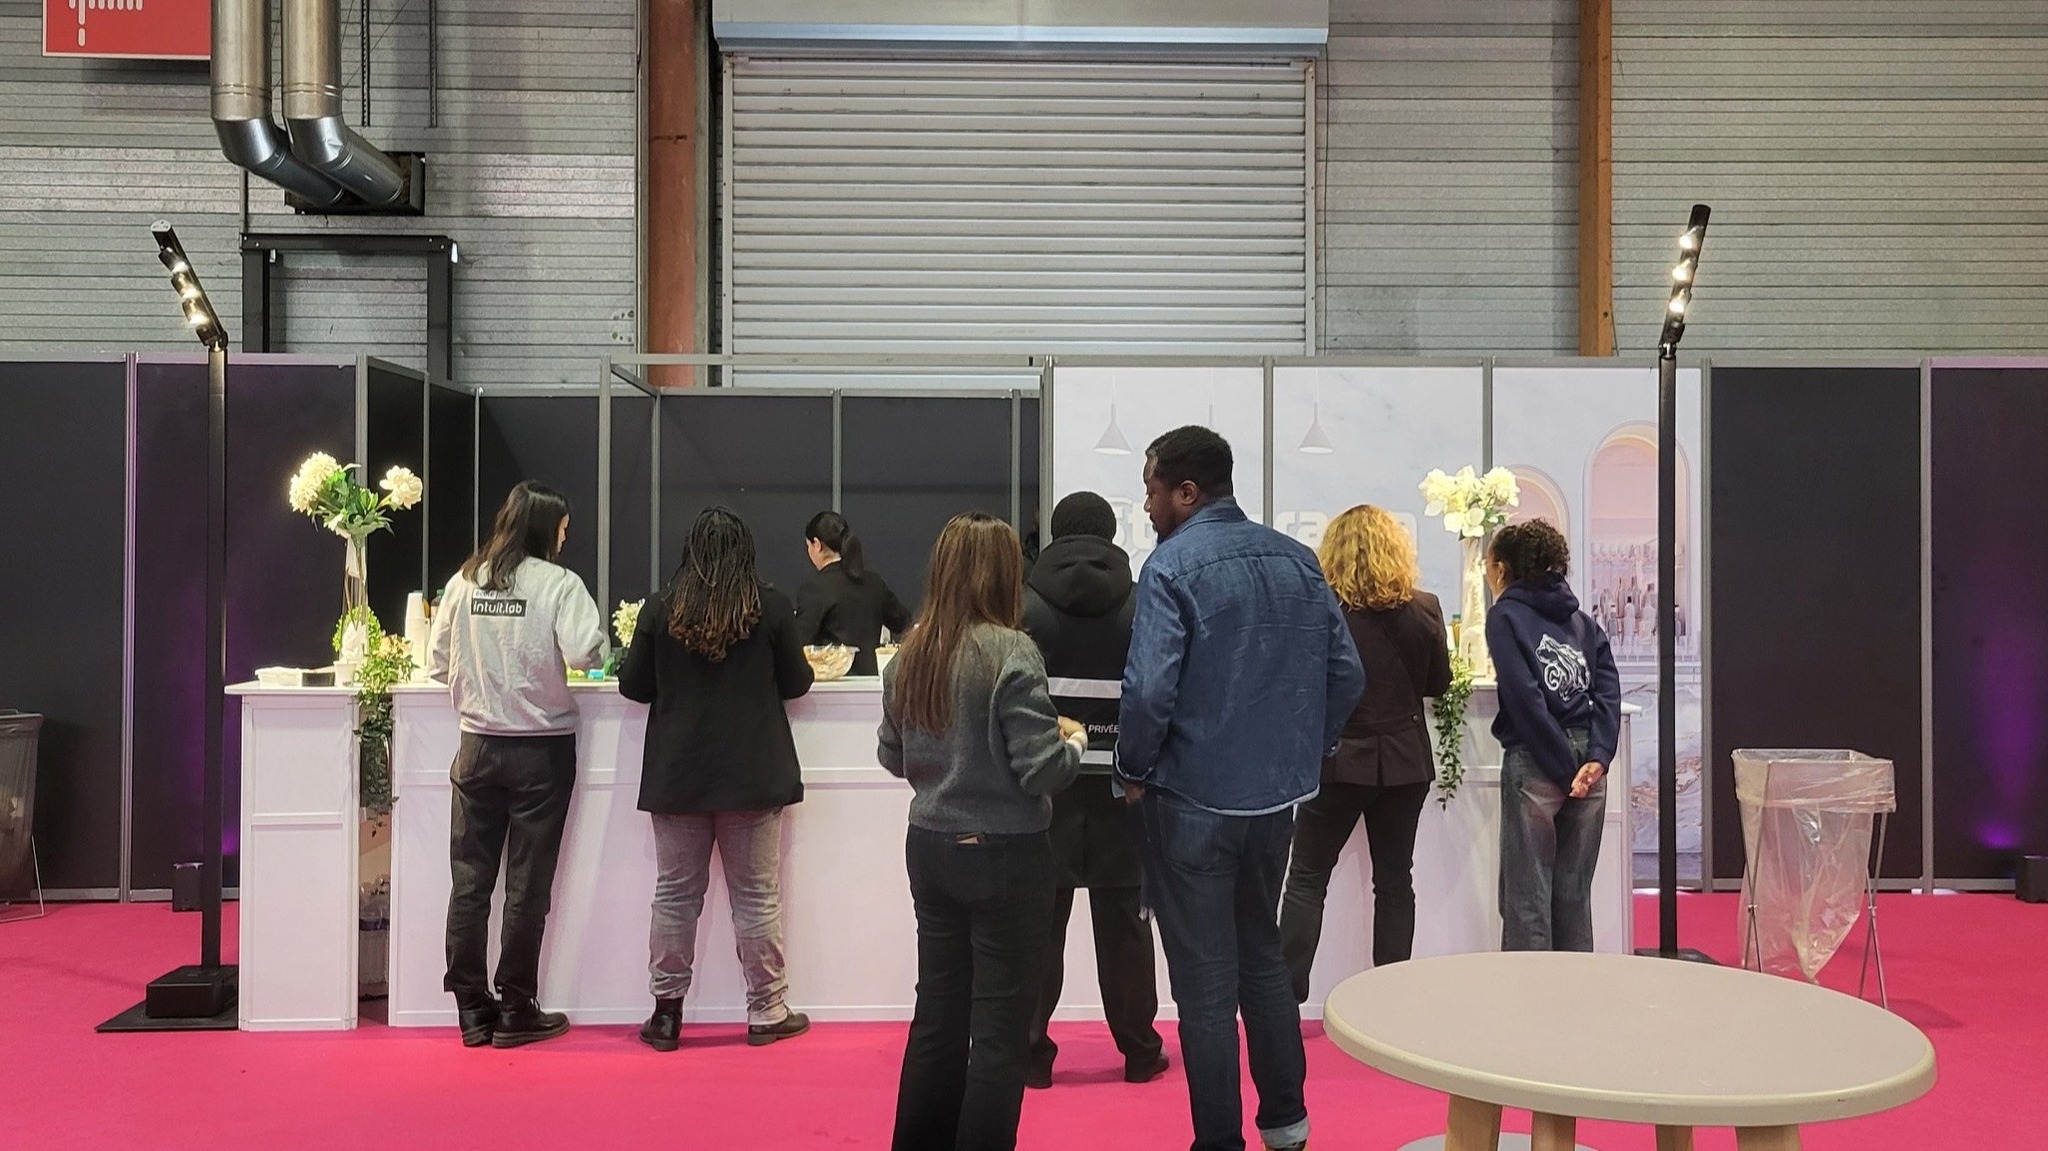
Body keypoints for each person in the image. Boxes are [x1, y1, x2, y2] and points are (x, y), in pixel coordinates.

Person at [1115, 427, 1365, 1151]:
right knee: (1262, 959)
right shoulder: (1297, 559)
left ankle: (1219, 1139)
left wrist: (1132, 768)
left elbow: (1149, 690)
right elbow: (1347, 674)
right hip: (1275, 800)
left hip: (1189, 800)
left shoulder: (1168, 568)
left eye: (1153, 490)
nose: (1147, 505)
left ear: (1187, 491)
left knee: (1204, 983)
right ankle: (1287, 1125)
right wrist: (1306, 749)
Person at [878, 512, 1090, 1151]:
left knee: (937, 1017)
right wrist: (1074, 741)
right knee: (999, 1031)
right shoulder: (1011, 651)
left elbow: (893, 755)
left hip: (930, 846)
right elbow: (1042, 770)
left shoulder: (911, 652)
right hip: (1004, 854)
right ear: (1005, 575)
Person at [617, 507, 816, 1053]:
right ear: (746, 551)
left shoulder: (661, 609)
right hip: (753, 772)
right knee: (756, 897)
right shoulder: (770, 607)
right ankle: (767, 1010)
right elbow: (798, 682)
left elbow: (633, 686)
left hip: (678, 774)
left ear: (690, 551)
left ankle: (666, 1015)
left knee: (675, 895)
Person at [427, 481, 606, 1049]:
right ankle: (515, 1007)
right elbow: (586, 653)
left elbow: (436, 662)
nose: (565, 538)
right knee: (527, 885)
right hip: (540, 751)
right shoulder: (559, 584)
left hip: (476, 746)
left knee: (470, 882)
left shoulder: (465, 581)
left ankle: (470, 1009)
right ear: (547, 528)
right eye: (563, 528)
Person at [1019, 492, 1167, 1090]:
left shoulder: (1025, 604)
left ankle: (1030, 1056)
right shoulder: (1140, 602)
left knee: (1038, 924)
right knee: (1126, 926)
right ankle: (1140, 1051)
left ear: (1056, 535)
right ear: (1110, 535)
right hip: (1122, 785)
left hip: (1047, 784)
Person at [1278, 506, 1452, 1001]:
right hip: (1405, 761)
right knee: (1395, 880)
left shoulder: (1320, 610)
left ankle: (1286, 998)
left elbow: (1300, 684)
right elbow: (1439, 683)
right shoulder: (1426, 608)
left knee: (1306, 879)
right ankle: (1389, 1001)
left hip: (1336, 760)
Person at [1484, 519, 1621, 952]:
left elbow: (1524, 699)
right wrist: (1597, 757)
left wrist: (1564, 771)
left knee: (1527, 896)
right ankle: (1576, 991)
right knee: (1574, 896)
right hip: (1588, 767)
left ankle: (1530, 993)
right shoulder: (1582, 621)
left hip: (1538, 760)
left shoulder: (1505, 616)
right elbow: (1608, 689)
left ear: (1502, 568)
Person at [795, 511, 914, 676]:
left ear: (817, 544)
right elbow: (904, 623)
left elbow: (799, 641)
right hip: (872, 682)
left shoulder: (814, 588)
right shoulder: (874, 583)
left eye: (808, 545)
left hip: (832, 683)